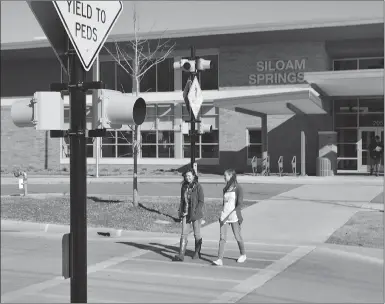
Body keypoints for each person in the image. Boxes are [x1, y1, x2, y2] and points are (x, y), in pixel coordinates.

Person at [213, 169, 246, 266]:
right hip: (224, 216)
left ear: (231, 176)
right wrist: (222, 213)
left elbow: (239, 203)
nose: (224, 177)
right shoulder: (225, 188)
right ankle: (219, 259)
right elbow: (225, 203)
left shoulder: (238, 188)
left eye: (225, 175)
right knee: (222, 237)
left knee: (237, 236)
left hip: (234, 216)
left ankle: (243, 254)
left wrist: (234, 213)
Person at [173, 168, 204, 262]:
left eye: (189, 176)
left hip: (195, 213)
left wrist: (196, 212)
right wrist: (180, 210)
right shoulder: (184, 186)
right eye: (186, 176)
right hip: (185, 212)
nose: (188, 177)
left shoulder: (198, 186)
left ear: (193, 176)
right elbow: (182, 199)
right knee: (183, 233)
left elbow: (201, 201)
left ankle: (197, 252)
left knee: (196, 234)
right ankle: (181, 254)